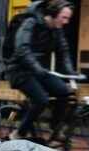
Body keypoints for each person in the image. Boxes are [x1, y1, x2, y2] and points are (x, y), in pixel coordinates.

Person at [6, 0, 76, 141]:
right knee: (41, 99)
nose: (66, 22)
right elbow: (22, 49)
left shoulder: (57, 30)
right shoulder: (30, 23)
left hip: (38, 71)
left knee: (64, 91)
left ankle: (55, 128)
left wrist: (71, 72)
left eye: (68, 18)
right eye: (64, 17)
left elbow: (64, 51)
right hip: (19, 70)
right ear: (53, 14)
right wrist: (37, 68)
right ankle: (18, 133)